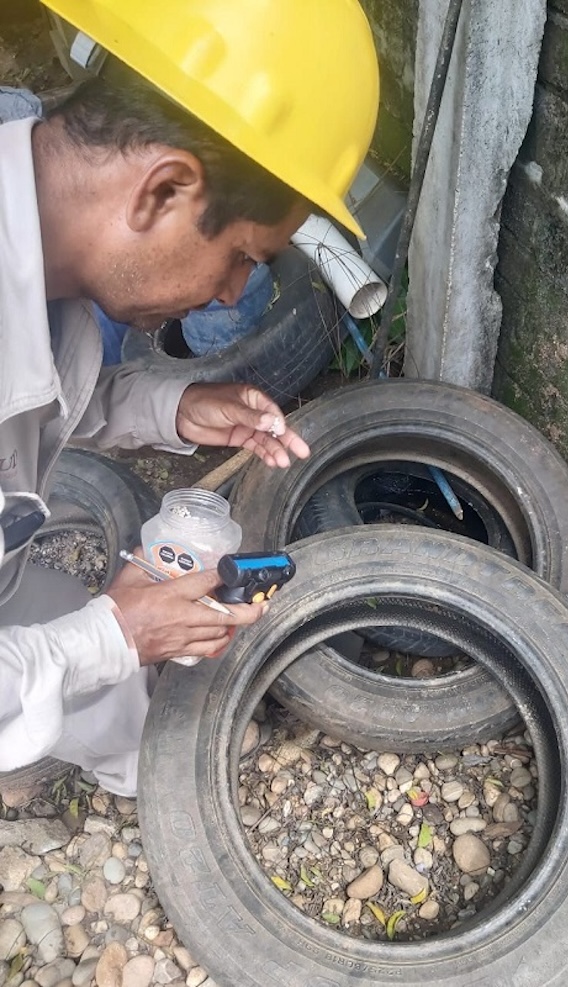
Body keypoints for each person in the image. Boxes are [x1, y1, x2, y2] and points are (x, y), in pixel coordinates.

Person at [0, 0, 379, 797]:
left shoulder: (33, 238)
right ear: (164, 189)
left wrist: (170, 404)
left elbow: (29, 390)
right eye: (242, 256)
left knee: (149, 734)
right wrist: (112, 634)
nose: (229, 295)